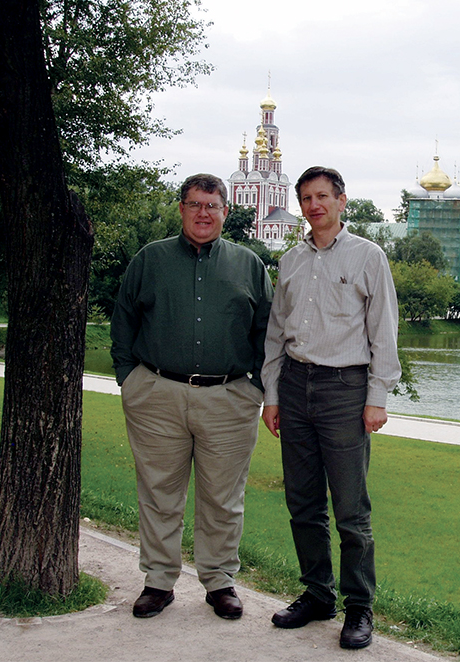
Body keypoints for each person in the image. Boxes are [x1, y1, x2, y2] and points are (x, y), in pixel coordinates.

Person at [111, 173, 273, 620]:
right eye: (195, 204)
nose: (204, 213)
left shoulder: (249, 265)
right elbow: (123, 316)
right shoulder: (151, 259)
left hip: (229, 397)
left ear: (226, 211)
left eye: (212, 206)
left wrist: (257, 386)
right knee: (160, 492)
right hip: (157, 394)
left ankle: (219, 580)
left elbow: (267, 330)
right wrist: (129, 376)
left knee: (223, 496)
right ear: (181, 209)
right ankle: (159, 581)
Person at [261, 166, 400, 650]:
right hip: (296, 386)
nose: (313, 205)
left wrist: (376, 397)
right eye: (305, 198)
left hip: (345, 388)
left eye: (322, 196)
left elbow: (383, 332)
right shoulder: (291, 261)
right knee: (302, 502)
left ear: (342, 201)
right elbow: (277, 333)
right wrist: (273, 395)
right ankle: (319, 594)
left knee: (350, 509)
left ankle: (359, 607)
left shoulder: (368, 256)